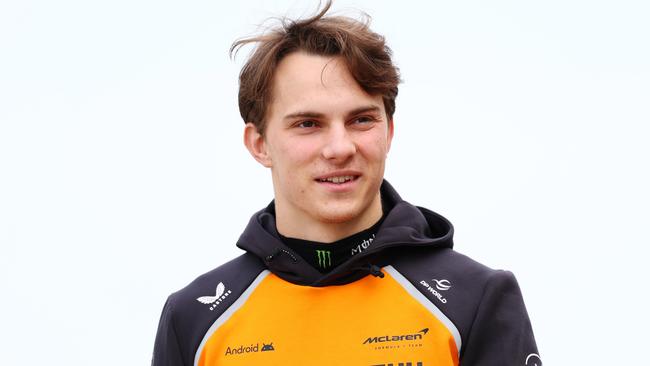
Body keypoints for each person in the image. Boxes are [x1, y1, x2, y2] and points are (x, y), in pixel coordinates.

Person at [152, 2, 540, 365]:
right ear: (259, 144)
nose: (340, 148)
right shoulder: (193, 318)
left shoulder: (475, 299)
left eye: (361, 120)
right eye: (308, 124)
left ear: (388, 132)